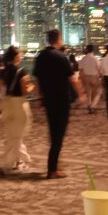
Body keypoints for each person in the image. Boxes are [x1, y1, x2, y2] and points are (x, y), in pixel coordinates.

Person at [34, 30, 81, 179]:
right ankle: (52, 170)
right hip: (61, 100)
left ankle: (53, 166)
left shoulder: (40, 57)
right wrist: (81, 94)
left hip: (48, 100)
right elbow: (72, 79)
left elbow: (38, 79)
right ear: (58, 40)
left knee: (53, 133)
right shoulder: (61, 57)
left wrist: (40, 97)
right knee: (58, 136)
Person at [0, 46, 34, 173]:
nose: (21, 56)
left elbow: (0, 90)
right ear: (16, 57)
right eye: (20, 54)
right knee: (18, 135)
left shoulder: (3, 71)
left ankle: (15, 161)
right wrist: (31, 87)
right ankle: (20, 160)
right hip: (19, 105)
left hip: (8, 105)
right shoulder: (21, 71)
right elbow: (25, 91)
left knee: (12, 135)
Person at [78, 44, 102, 114]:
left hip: (85, 77)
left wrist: (82, 78)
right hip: (94, 77)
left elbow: (81, 70)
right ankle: (93, 106)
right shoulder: (95, 59)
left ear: (87, 50)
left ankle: (89, 105)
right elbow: (99, 69)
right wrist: (101, 76)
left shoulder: (83, 59)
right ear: (93, 50)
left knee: (88, 93)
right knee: (98, 92)